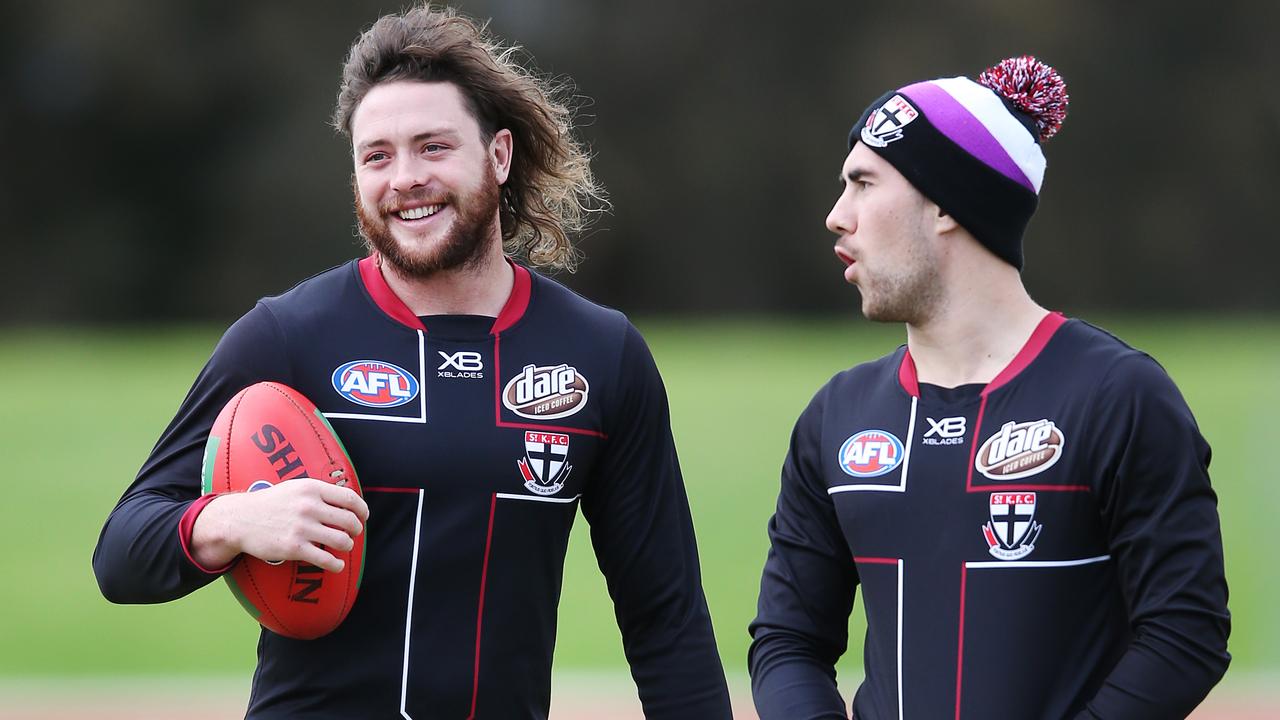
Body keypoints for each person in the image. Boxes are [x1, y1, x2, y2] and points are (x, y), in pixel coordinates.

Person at [92, 5, 732, 718]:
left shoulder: (601, 356)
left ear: (498, 156)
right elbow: (120, 556)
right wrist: (236, 520)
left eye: (432, 147)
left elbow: (666, 619)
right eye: (377, 156)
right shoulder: (285, 338)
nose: (404, 178)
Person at [747, 56, 1230, 719]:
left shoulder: (1119, 396)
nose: (837, 215)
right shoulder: (838, 416)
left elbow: (1186, 633)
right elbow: (788, 641)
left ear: (946, 202)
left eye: (863, 183)